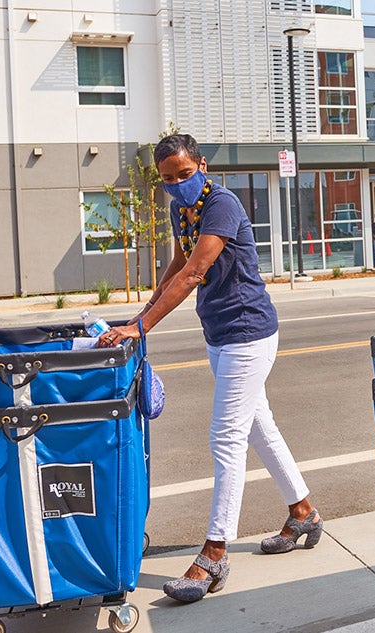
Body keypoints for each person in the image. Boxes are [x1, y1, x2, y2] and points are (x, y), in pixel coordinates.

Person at [97, 134, 322, 604]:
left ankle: (215, 554)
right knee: (261, 429)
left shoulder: (221, 204)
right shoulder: (184, 211)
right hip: (220, 335)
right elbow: (177, 264)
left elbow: (196, 272)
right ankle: (303, 511)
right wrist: (140, 315)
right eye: (168, 179)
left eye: (184, 173)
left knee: (226, 438)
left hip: (248, 333)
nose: (178, 184)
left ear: (201, 165)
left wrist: (142, 327)